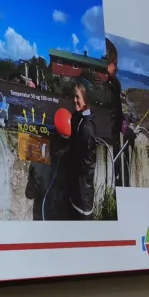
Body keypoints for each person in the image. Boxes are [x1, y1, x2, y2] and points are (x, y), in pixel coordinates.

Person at [64, 80, 98, 220]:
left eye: (78, 97)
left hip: (83, 195)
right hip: (75, 190)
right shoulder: (78, 117)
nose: (74, 100)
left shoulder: (87, 128)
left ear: (86, 100)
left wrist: (67, 155)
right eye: (74, 96)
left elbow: (87, 165)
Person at [103, 39, 127, 186]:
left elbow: (118, 113)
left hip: (113, 146)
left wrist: (125, 128)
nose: (117, 68)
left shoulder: (116, 84)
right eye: (115, 63)